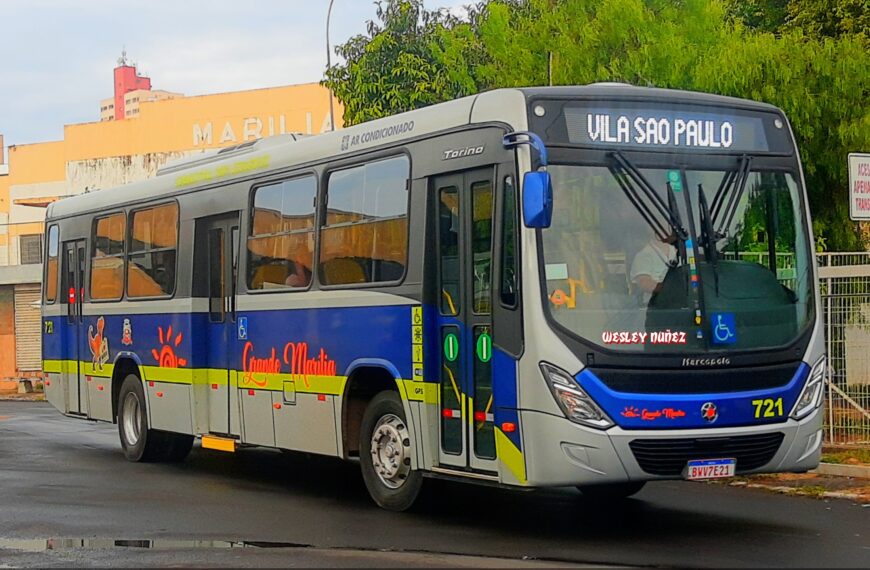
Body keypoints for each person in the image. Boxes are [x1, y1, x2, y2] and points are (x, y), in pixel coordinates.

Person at [630, 230, 678, 304]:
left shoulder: (681, 251)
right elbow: (645, 283)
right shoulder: (643, 255)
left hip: (683, 304)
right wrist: (673, 289)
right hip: (655, 307)